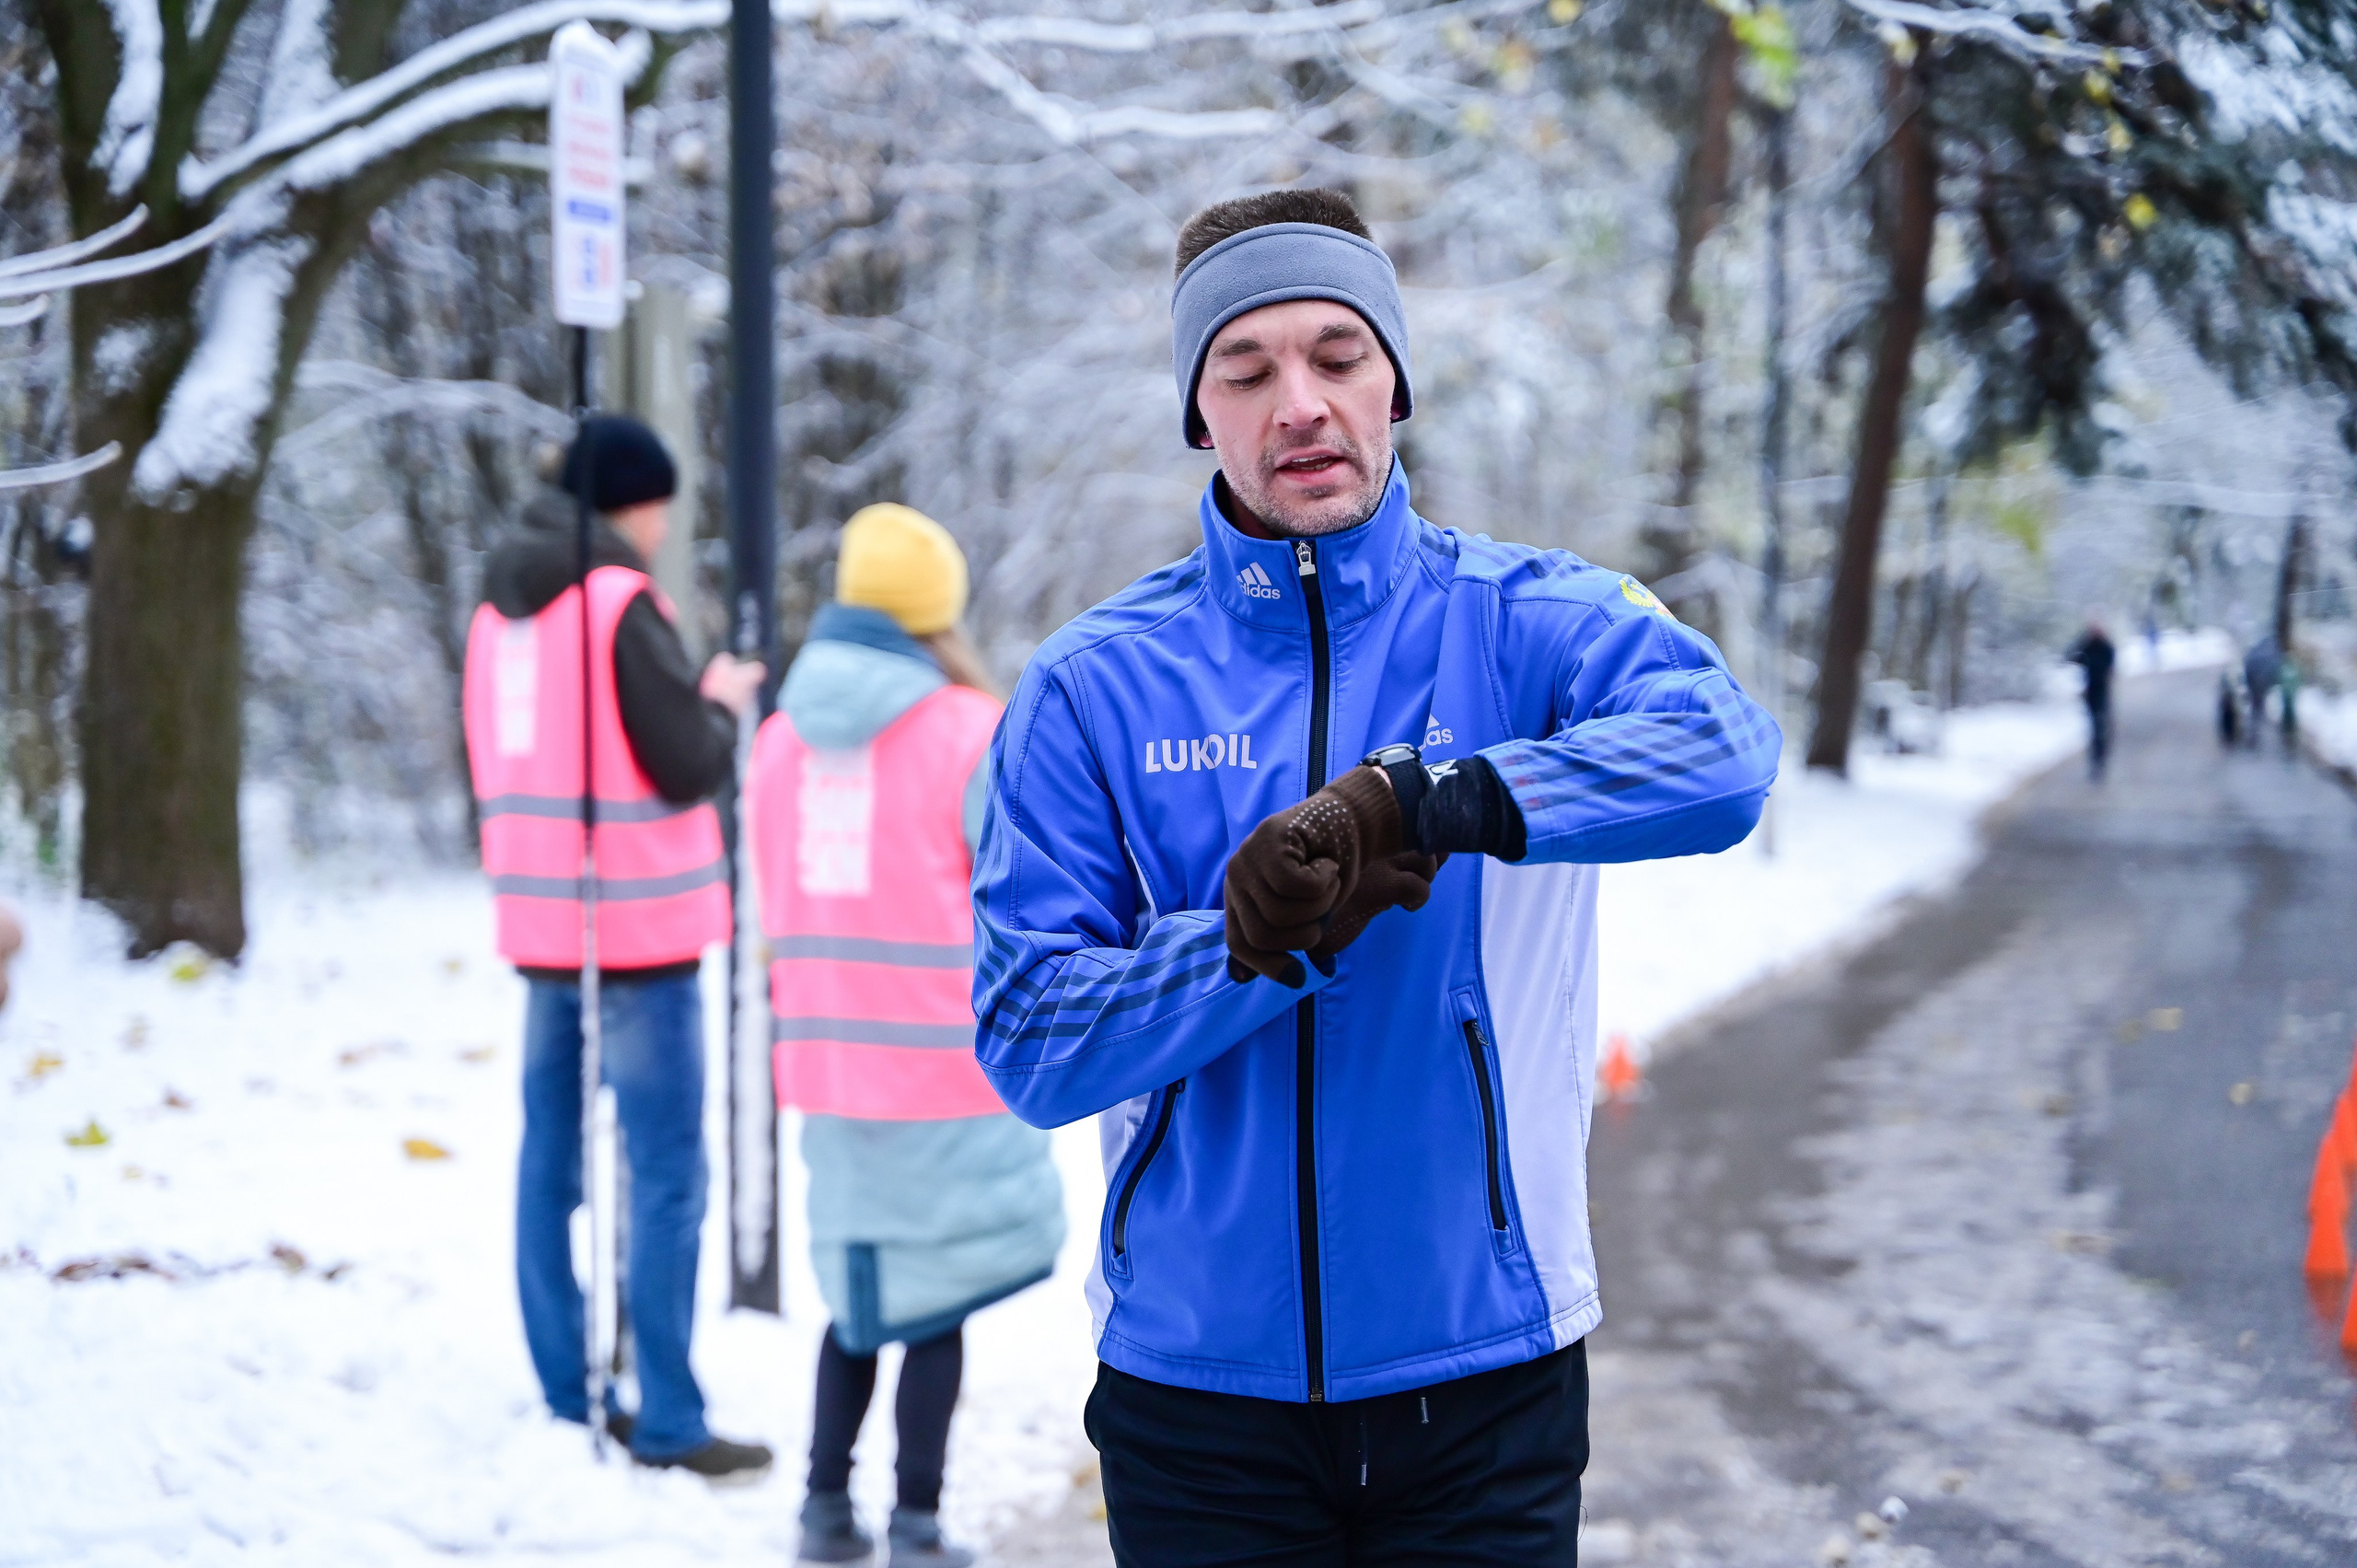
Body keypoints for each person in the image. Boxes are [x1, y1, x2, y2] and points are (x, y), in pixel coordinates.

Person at [970, 190, 1781, 1566]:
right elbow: (1032, 1040)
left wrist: (1445, 800)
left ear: (1394, 383)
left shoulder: (1527, 623)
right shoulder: (1089, 688)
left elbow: (1726, 754)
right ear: (1199, 412)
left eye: (1339, 355)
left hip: (1484, 1379)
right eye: (1249, 368)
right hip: (1197, 1396)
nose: (1302, 402)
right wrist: (1238, 948)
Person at [749, 505, 1064, 1567]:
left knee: (861, 1291)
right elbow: (1019, 894)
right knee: (937, 1301)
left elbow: (774, 900)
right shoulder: (968, 728)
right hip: (944, 1057)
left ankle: (823, 1509)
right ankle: (918, 1521)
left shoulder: (777, 739)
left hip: (827, 1062)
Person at [461, 414, 772, 1479]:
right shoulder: (615, 599)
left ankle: (566, 1391)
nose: (660, 524)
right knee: (667, 1172)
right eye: (657, 504)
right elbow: (682, 761)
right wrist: (721, 707)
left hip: (543, 926)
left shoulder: (497, 609)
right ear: (630, 501)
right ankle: (673, 1416)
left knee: (549, 1160)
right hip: (640, 928)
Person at [2066, 617, 2116, 779]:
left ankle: (2100, 759)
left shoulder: (2106, 646)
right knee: (2094, 726)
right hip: (2090, 691)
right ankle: (2096, 761)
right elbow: (2070, 655)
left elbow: (2108, 666)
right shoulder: (2087, 644)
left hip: (2102, 690)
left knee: (2100, 726)